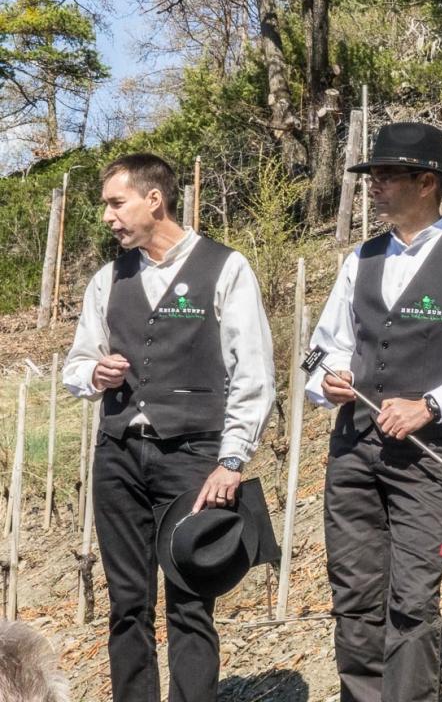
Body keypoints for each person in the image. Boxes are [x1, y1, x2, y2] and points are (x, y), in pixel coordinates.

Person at [63, 153, 275, 702]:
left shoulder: (226, 268)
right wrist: (94, 372)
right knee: (127, 603)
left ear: (154, 199)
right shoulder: (107, 280)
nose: (107, 217)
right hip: (118, 456)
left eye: (117, 203)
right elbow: (76, 365)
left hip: (192, 456)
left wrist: (232, 459)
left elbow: (253, 374)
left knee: (190, 599)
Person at [305, 122, 442, 701]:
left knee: (413, 601)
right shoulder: (360, 258)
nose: (374, 185)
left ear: (426, 183)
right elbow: (323, 348)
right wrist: (329, 379)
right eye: (373, 175)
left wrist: (431, 406)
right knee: (354, 597)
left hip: (425, 457)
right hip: (353, 450)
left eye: (387, 175)